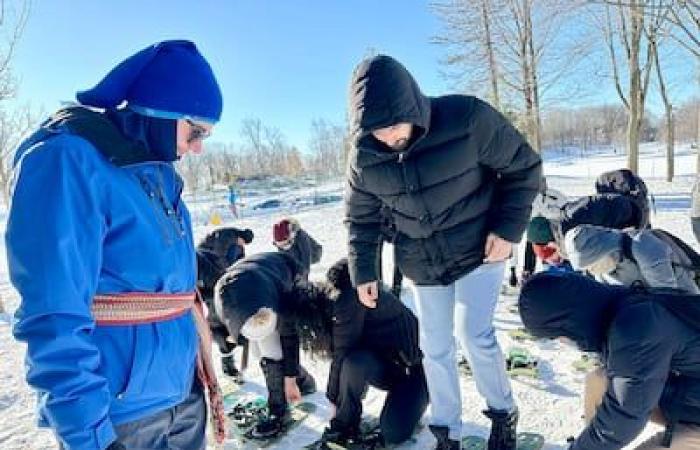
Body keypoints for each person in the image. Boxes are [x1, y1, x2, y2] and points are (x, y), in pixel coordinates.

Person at [7, 40, 224, 450]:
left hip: (183, 395)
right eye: (196, 131)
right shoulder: (67, 161)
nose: (198, 147)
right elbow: (53, 313)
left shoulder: (158, 173)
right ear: (160, 108)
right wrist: (88, 435)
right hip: (123, 416)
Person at [344, 54, 542, 449]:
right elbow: (360, 219)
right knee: (433, 346)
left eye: (395, 125)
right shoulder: (364, 159)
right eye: (376, 131)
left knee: (475, 334)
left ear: (412, 107)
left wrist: (507, 230)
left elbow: (524, 167)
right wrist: (363, 271)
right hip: (422, 262)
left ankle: (503, 412)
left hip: (480, 249)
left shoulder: (467, 118)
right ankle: (446, 428)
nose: (388, 137)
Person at [519, 272, 700, 449]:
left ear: (569, 325)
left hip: (690, 402)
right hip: (688, 394)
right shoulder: (623, 307)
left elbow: (624, 415)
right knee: (599, 380)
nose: (563, 343)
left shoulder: (636, 330)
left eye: (557, 337)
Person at [294, 258, 428, 448]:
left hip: (417, 371)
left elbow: (340, 355)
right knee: (354, 362)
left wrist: (333, 401)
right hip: (390, 364)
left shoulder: (346, 303)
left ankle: (406, 409)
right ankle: (345, 426)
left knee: (393, 433)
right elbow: (347, 362)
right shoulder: (336, 304)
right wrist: (339, 415)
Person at [213, 218, 321, 438]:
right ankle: (304, 382)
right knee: (257, 351)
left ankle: (279, 411)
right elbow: (214, 326)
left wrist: (288, 378)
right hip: (251, 286)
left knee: (273, 351)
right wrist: (227, 345)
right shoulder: (221, 299)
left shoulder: (285, 293)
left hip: (283, 276)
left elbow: (290, 337)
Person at [564, 224, 700, 294]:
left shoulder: (642, 246)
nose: (591, 271)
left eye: (591, 265)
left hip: (687, 303)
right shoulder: (603, 274)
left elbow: (669, 296)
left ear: (604, 251)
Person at [196, 226, 254, 380]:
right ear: (241, 237)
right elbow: (220, 265)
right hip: (210, 284)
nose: (243, 247)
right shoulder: (226, 238)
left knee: (223, 326)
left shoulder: (234, 244)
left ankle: (228, 359)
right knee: (219, 327)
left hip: (215, 285)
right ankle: (227, 364)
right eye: (243, 243)